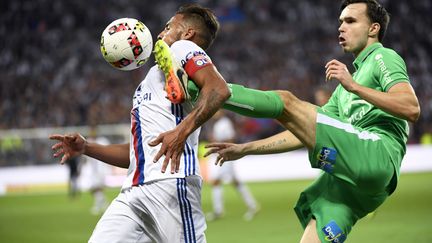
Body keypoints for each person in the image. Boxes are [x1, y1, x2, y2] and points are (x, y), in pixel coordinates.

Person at [204, 0, 420, 242]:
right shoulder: (342, 92)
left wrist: (355, 86)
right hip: (359, 186)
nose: (341, 27)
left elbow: (411, 108)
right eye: (340, 22)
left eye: (350, 21)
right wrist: (246, 149)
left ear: (373, 29)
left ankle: (205, 87)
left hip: (377, 154)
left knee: (285, 101)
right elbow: (304, 131)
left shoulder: (382, 57)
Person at [50, 3, 231, 242]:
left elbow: (219, 89)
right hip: (135, 191)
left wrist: (181, 131)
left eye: (168, 27)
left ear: (188, 33)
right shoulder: (155, 76)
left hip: (170, 186)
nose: (160, 33)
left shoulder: (182, 48)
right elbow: (140, 154)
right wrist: (86, 148)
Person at [206, 110, 259, 221]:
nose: (215, 114)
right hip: (223, 156)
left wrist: (217, 142)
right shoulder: (218, 124)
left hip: (226, 157)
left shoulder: (225, 123)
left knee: (216, 182)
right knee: (235, 182)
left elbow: (231, 139)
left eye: (217, 112)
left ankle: (218, 211)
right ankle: (253, 205)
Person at [81, 127, 110, 215]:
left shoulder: (102, 141)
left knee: (97, 188)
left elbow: (109, 152)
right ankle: (104, 204)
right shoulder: (88, 142)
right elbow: (85, 157)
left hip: (101, 169)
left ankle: (99, 205)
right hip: (92, 170)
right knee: (93, 189)